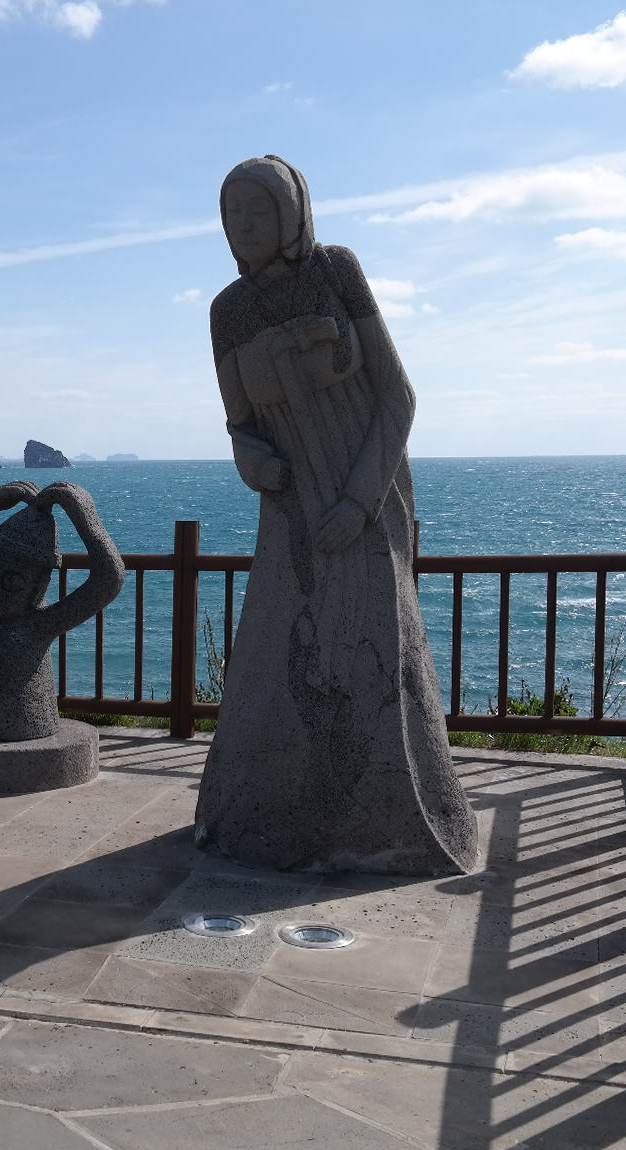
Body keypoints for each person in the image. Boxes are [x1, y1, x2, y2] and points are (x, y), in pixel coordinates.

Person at [193, 156, 476, 875]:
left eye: (258, 210)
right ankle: (261, 815)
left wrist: (358, 501)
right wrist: (256, 465)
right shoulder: (227, 312)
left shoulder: (335, 271)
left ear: (292, 213)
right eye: (231, 213)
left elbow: (398, 395)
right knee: (277, 650)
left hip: (368, 496)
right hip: (291, 513)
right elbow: (241, 425)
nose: (243, 225)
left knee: (377, 644)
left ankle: (398, 820)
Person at [0, 480, 124, 743]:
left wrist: (84, 516)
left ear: (36, 589)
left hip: (32, 727)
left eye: (12, 581)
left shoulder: (35, 626)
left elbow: (110, 578)